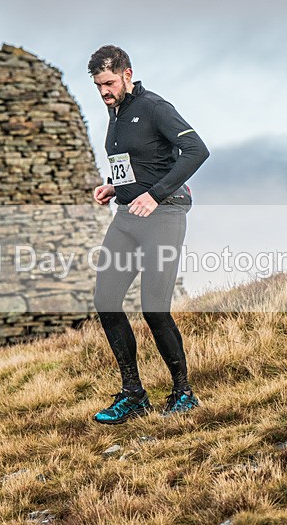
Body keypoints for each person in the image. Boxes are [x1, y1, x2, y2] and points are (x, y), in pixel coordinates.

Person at [87, 45, 210, 425]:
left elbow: (196, 150)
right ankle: (134, 395)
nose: (104, 91)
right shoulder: (115, 110)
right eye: (98, 86)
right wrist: (114, 186)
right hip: (126, 218)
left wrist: (153, 195)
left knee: (154, 308)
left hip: (164, 214)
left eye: (108, 83)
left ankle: (183, 392)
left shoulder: (155, 106)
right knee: (106, 300)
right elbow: (139, 162)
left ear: (127, 73)